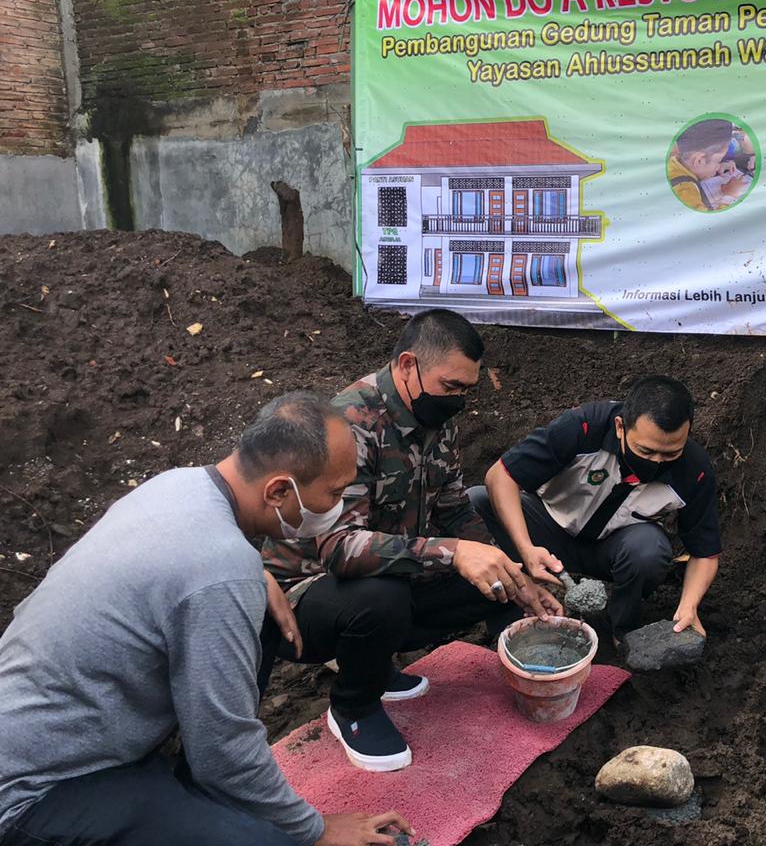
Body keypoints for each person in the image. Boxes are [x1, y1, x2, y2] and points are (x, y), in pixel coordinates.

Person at [0, 393, 412, 846]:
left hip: (66, 735)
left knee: (258, 614)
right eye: (333, 493)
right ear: (278, 490)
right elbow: (225, 749)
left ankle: (200, 799)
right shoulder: (219, 570)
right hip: (35, 793)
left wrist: (254, 576)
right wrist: (314, 829)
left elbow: (186, 568)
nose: (337, 505)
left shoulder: (180, 486)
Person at [259, 311, 560, 773]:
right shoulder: (347, 426)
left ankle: (376, 665)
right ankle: (354, 708)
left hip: (385, 573)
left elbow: (456, 508)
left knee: (493, 567)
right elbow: (339, 549)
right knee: (383, 594)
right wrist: (454, 553)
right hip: (299, 600)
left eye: (467, 390)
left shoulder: (437, 420)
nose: (459, 401)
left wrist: (513, 577)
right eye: (451, 386)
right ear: (406, 365)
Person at [469, 376, 721, 644]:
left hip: (614, 549)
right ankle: (509, 618)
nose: (657, 462)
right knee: (477, 503)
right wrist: (526, 548)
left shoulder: (694, 470)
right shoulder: (584, 427)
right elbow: (500, 476)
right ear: (620, 427)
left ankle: (622, 631)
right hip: (548, 529)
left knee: (648, 550)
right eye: (646, 451)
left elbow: (704, 552)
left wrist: (688, 606)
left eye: (670, 454)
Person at [668, 119, 748, 212]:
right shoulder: (684, 191)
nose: (718, 166)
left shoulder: (674, 160)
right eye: (718, 161)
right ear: (699, 160)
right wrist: (730, 195)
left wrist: (720, 165)